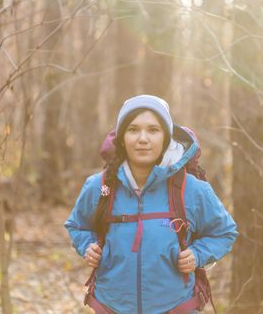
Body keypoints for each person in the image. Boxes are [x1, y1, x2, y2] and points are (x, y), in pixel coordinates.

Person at [65, 95, 238, 313]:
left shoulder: (192, 189)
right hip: (111, 306)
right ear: (121, 138)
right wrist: (87, 245)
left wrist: (198, 254)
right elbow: (77, 225)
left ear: (166, 137)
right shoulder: (99, 186)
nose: (143, 139)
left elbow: (225, 232)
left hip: (176, 307)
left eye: (153, 130)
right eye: (133, 129)